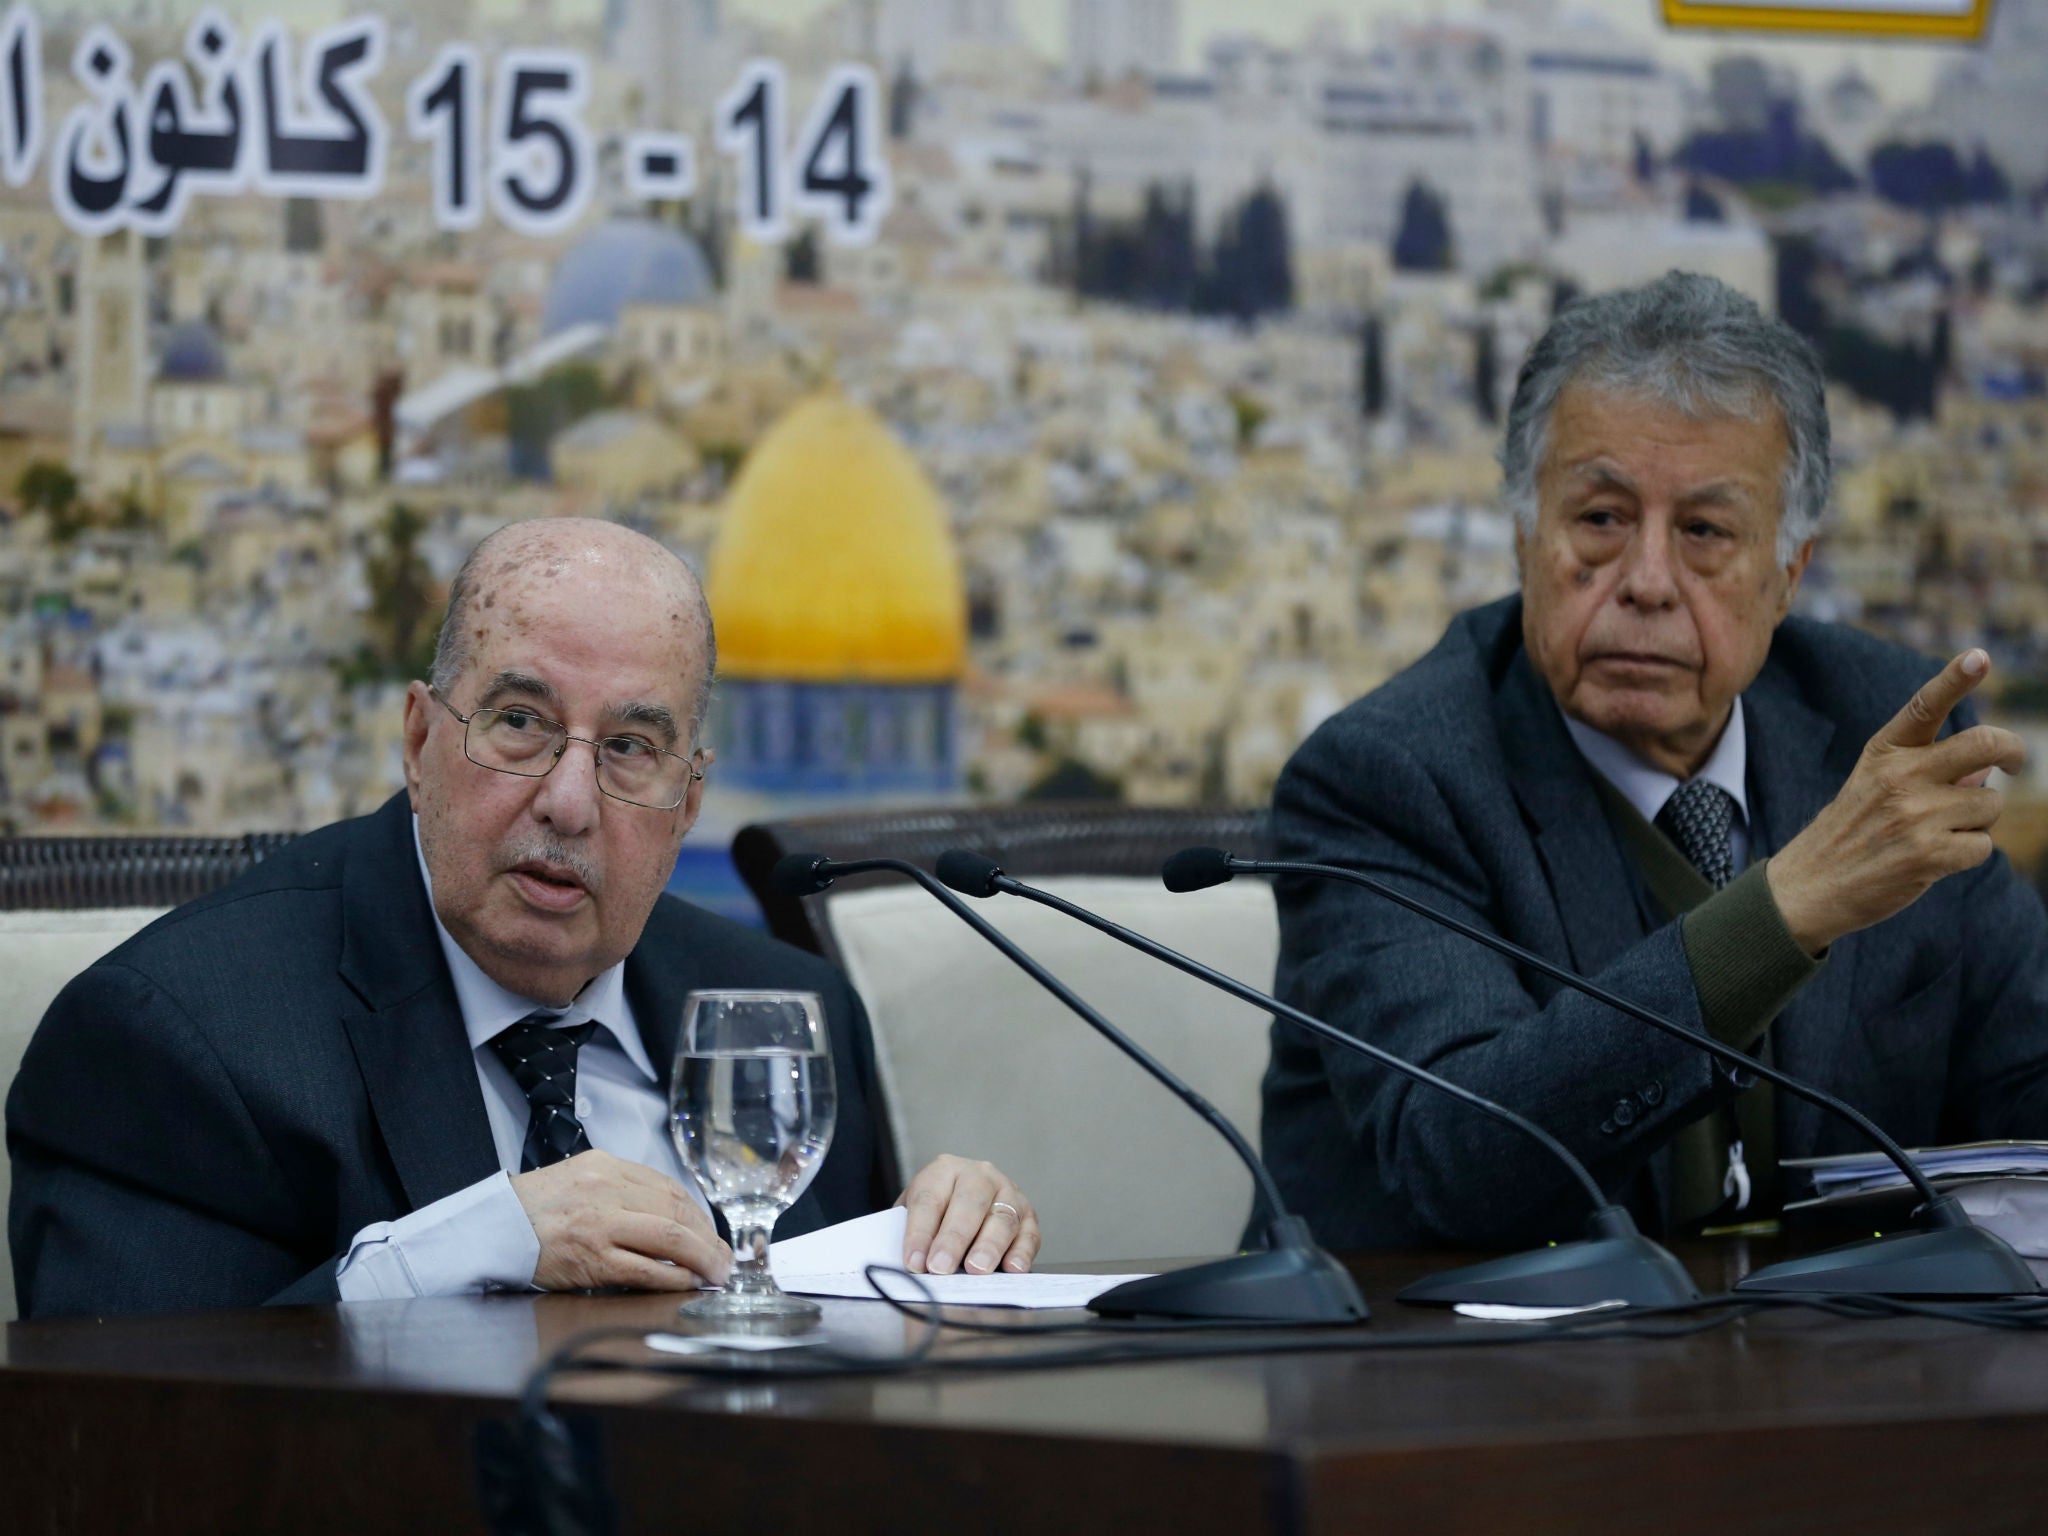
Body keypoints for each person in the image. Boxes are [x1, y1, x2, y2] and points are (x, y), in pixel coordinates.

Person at [8, 519, 1039, 1318]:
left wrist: (941, 1258)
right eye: (518, 724)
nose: (569, 801)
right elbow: (131, 1434)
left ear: (687, 802)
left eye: (631, 747)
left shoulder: (784, 1010)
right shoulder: (181, 1039)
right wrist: (469, 1252)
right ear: (418, 741)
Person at [1261, 271, 2048, 1251]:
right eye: (1597, 520)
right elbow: (1457, 1160)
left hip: (1825, 1380)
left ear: (1785, 575)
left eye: (1703, 533)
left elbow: (2024, 1090)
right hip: (1457, 1382)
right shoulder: (1387, 779)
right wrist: (1782, 911)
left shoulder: (1879, 731)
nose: (1642, 582)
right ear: (1523, 539)